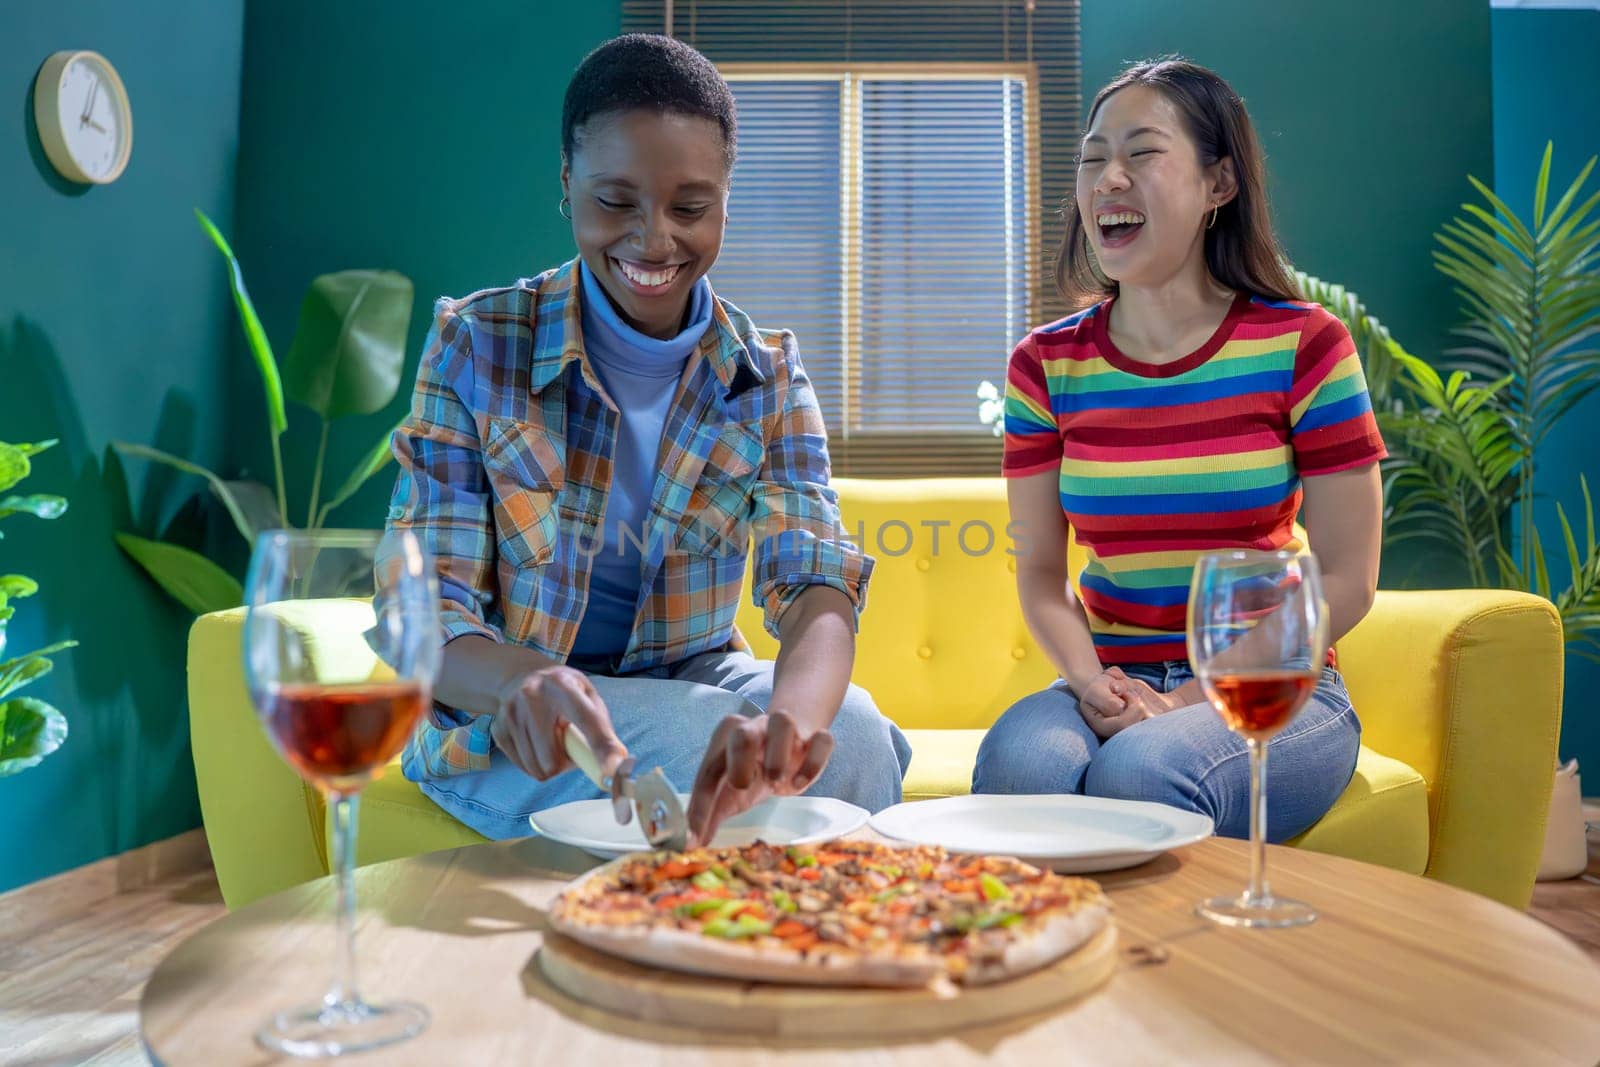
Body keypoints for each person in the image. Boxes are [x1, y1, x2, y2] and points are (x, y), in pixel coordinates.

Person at [383, 34, 909, 847]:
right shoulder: (478, 343)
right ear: (567, 185)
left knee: (859, 735)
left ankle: (785, 947)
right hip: (512, 711)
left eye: (689, 207)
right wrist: (527, 679)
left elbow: (814, 584)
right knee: (702, 735)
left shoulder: (764, 376)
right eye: (615, 202)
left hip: (687, 677)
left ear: (726, 199)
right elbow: (424, 609)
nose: (654, 239)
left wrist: (788, 731)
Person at [971, 58, 1385, 841]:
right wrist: (1094, 684)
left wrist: (1190, 702)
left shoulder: (1304, 344)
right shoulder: (1045, 364)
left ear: (1218, 184)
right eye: (1093, 159)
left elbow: (1346, 578)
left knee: (1142, 771)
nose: (1108, 179)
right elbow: (1037, 573)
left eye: (1141, 152)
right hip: (1115, 678)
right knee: (1020, 767)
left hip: (1276, 689)